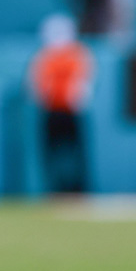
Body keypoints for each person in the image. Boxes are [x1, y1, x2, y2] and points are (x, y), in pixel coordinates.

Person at [28, 14, 94, 195]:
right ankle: (56, 191)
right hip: (53, 112)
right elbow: (36, 85)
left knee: (74, 154)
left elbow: (84, 83)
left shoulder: (77, 54)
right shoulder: (45, 57)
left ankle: (77, 190)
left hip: (70, 112)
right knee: (53, 154)